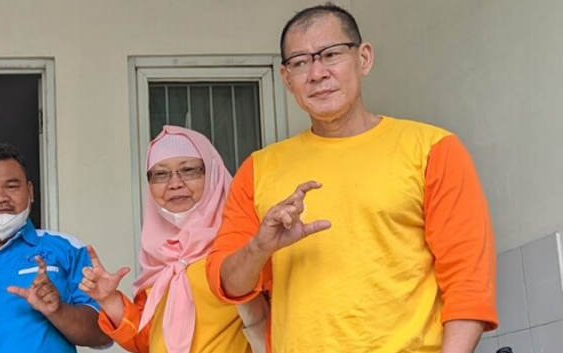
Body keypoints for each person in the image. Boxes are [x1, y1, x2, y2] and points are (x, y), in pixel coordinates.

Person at [206, 4, 498, 352]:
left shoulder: (432, 149)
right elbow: (228, 283)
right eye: (300, 62)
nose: (317, 73)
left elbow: (468, 282)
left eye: (331, 54)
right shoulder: (258, 169)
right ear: (286, 79)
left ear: (364, 58)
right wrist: (260, 247)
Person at [79, 126, 267, 353]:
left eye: (188, 170)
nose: (174, 183)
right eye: (160, 174)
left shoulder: (243, 243)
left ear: (213, 173)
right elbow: (146, 340)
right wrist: (109, 300)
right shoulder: (158, 254)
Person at [0, 142, 112, 352]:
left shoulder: (67, 249)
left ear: (30, 191)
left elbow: (101, 333)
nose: (1, 198)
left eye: (12, 186)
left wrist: (57, 310)